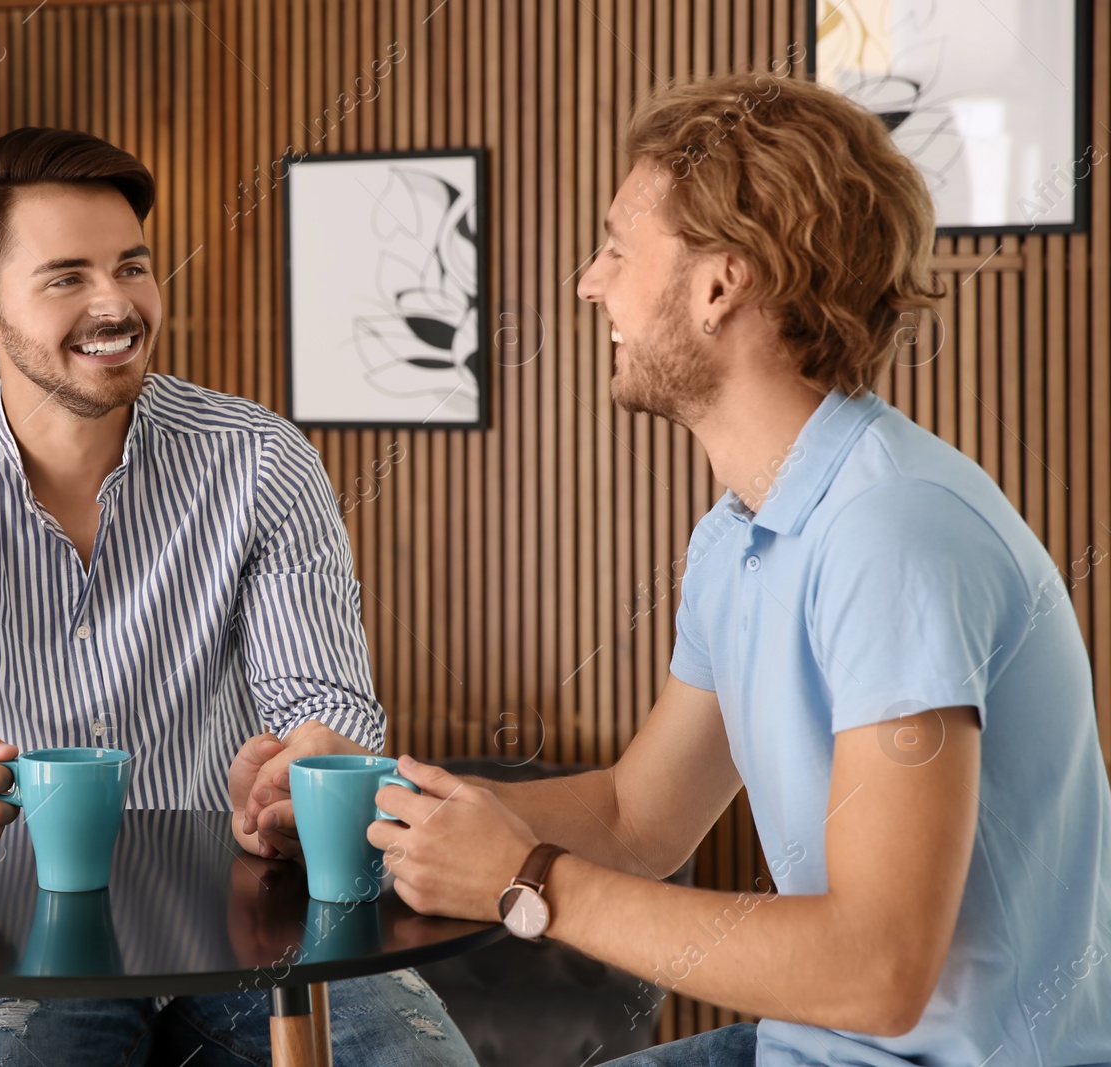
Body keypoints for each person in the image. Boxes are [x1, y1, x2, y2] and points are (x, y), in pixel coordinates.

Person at [350, 71, 1111, 1064]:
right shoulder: (744, 531)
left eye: (618, 247)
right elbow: (639, 814)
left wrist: (525, 879)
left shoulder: (890, 533)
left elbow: (878, 971)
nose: (589, 283)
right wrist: (375, 806)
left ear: (720, 282)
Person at [0, 126, 477, 1066]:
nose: (116, 303)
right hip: (4, 929)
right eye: (66, 276)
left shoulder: (262, 459)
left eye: (133, 266)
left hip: (251, 920)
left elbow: (327, 705)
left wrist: (303, 769)